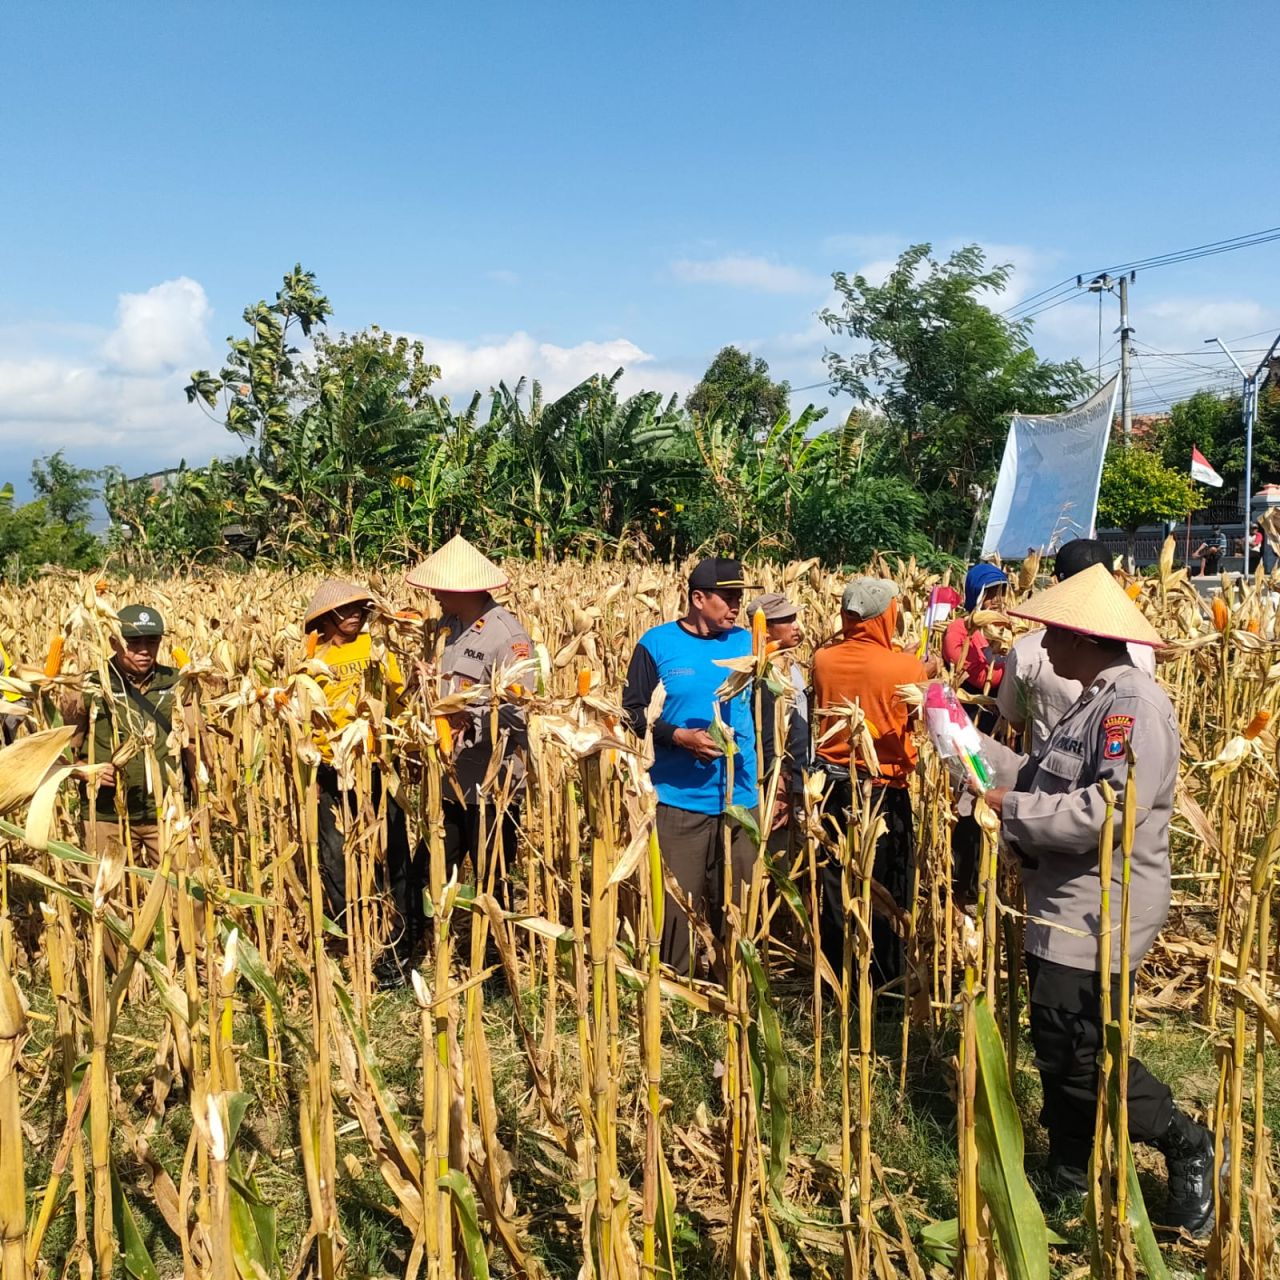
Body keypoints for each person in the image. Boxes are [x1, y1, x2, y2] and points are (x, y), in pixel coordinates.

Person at [977, 563, 1218, 1232]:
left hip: (1098, 908)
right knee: (1059, 1042)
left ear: (1083, 638)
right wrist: (968, 747)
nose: (1042, 646)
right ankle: (1070, 1169)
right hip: (1063, 902)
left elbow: (1107, 810)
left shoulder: (1131, 706)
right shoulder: (1093, 700)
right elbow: (1044, 778)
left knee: (1081, 1049)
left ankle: (1186, 1141)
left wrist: (1009, 807)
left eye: (1052, 633)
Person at [622, 557, 760, 976]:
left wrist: (777, 781)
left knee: (736, 910)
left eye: (739, 598)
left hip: (740, 799)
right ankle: (674, 991)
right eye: (728, 597)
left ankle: (732, 990)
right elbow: (631, 712)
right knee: (675, 912)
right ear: (698, 599)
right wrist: (678, 737)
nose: (736, 606)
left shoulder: (749, 644)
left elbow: (769, 711)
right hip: (677, 801)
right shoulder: (657, 644)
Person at [811, 578, 938, 986]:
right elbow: (916, 717)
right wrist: (926, 674)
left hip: (832, 789)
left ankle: (837, 979)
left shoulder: (822, 660)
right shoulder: (906, 668)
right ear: (886, 616)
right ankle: (883, 986)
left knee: (837, 883)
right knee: (886, 890)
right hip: (882, 792)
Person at [304, 579, 422, 986]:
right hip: (329, 767)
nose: (354, 615)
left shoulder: (377, 648)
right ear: (325, 618)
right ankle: (352, 932)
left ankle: (399, 938)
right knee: (334, 854)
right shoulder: (312, 657)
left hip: (376, 763)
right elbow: (303, 713)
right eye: (345, 610)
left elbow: (398, 702)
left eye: (359, 609)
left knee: (394, 850)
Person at [407, 535, 531, 908]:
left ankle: (497, 944)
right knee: (426, 874)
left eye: (439, 587)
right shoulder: (448, 626)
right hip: (449, 780)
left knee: (492, 880)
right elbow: (450, 685)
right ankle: (414, 941)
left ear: (464, 589)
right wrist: (426, 679)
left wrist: (469, 720)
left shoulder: (508, 637)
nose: (432, 593)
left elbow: (520, 710)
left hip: (490, 786)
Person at [997, 539, 1156, 754]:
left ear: (1057, 583)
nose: (1046, 642)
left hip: (1047, 767)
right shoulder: (1142, 650)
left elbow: (1016, 721)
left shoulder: (1028, 653)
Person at [63, 605, 196, 860]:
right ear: (114, 642)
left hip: (169, 811)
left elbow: (194, 746)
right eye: (133, 642)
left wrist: (198, 807)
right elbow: (63, 754)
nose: (144, 650)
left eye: (152, 641)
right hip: (108, 815)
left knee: (187, 884)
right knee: (111, 886)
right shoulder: (88, 686)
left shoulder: (178, 682)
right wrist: (86, 771)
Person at [745, 592, 809, 836]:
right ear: (765, 630)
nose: (796, 626)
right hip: (776, 786)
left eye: (794, 618)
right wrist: (777, 786)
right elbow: (767, 734)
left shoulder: (789, 663)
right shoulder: (761, 674)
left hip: (796, 779)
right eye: (787, 620)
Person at [942, 564, 1009, 732]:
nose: (997, 600)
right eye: (989, 593)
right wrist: (1012, 666)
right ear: (975, 594)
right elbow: (983, 679)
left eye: (1001, 592)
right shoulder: (959, 630)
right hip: (972, 719)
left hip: (1002, 721)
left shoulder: (1008, 628)